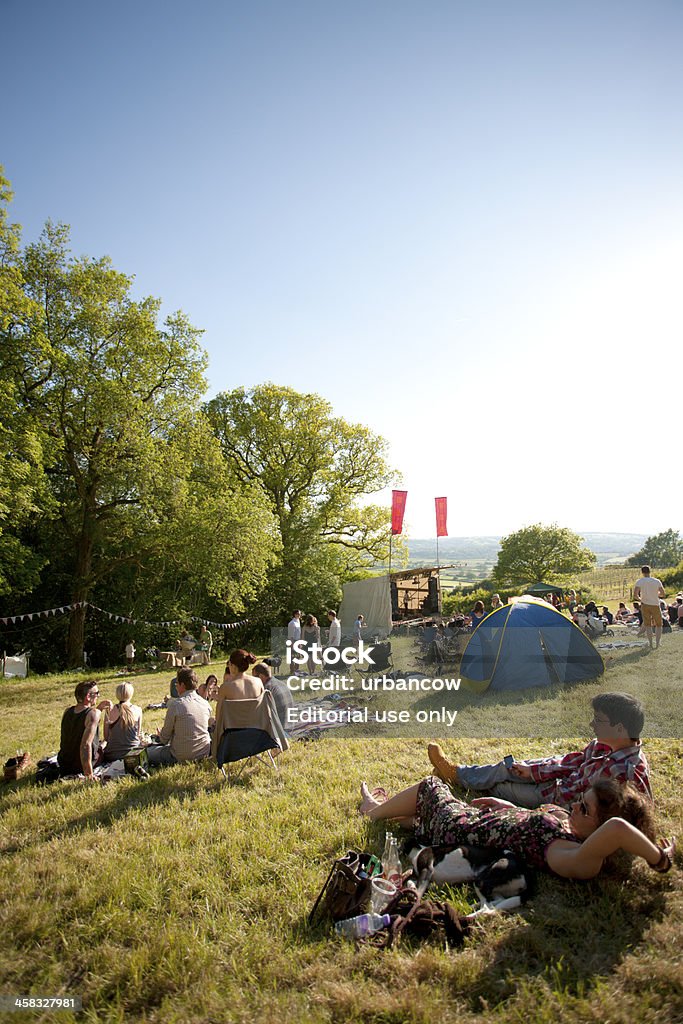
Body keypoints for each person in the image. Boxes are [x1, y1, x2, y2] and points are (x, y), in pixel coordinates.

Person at [359, 777, 674, 879]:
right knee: (420, 817)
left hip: (459, 831)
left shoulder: (574, 854)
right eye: (579, 800)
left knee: (431, 786)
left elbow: (618, 829)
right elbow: (531, 826)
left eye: (584, 808)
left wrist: (660, 859)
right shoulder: (572, 828)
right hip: (476, 822)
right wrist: (509, 808)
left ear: (600, 828)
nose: (575, 807)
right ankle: (392, 814)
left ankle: (372, 812)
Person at [427, 692, 652, 809]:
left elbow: (639, 810)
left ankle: (460, 781)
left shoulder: (629, 771)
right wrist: (532, 770)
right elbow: (567, 763)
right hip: (553, 782)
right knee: (505, 768)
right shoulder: (602, 745)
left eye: (598, 720)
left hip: (555, 799)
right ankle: (455, 773)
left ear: (619, 728)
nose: (592, 725)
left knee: (501, 790)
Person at [146, 667, 211, 766]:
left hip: (180, 756)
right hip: (203, 752)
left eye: (177, 684)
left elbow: (164, 739)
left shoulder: (176, 705)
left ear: (182, 685)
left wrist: (159, 736)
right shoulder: (205, 704)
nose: (176, 687)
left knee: (147, 753)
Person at [57, 680, 113, 780]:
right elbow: (85, 745)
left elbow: (80, 724)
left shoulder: (67, 711)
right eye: (96, 693)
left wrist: (99, 708)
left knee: (101, 744)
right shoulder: (93, 713)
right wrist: (89, 774)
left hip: (64, 763)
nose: (98, 695)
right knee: (105, 748)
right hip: (80, 766)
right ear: (88, 696)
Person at [102, 682, 144, 762]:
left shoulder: (109, 711)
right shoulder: (138, 710)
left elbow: (106, 737)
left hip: (112, 755)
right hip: (133, 754)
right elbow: (138, 734)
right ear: (131, 694)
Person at [253, 662, 294, 730]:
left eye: (254, 677)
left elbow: (260, 714)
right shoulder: (280, 683)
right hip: (289, 726)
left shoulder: (267, 689)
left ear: (261, 676)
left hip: (280, 731)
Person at [633, 565, 666, 649]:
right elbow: (663, 593)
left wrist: (641, 599)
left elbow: (635, 595)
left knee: (648, 625)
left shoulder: (639, 581)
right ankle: (658, 643)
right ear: (650, 571)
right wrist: (656, 595)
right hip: (655, 604)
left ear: (642, 572)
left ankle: (651, 643)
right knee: (659, 625)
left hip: (645, 604)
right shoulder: (656, 581)